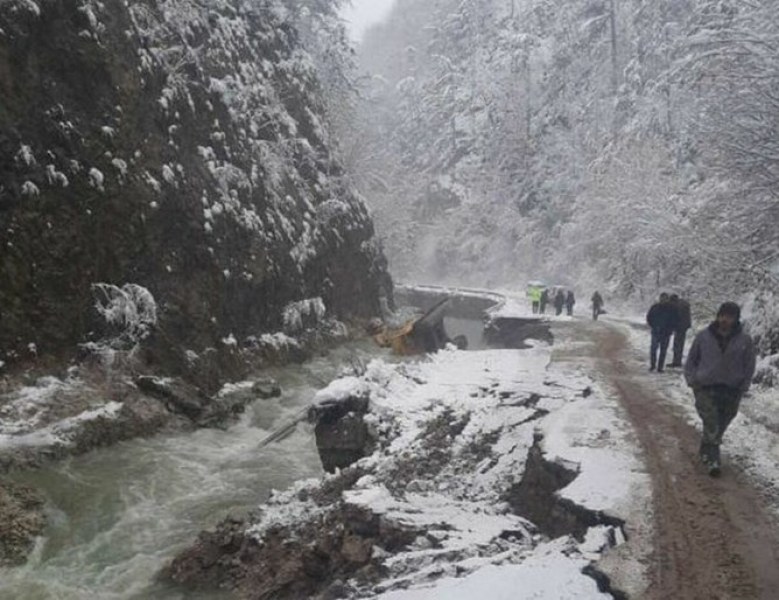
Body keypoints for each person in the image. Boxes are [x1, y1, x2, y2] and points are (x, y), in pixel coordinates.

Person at [684, 302, 756, 476]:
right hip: (705, 386)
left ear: (736, 319)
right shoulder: (703, 336)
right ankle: (713, 460)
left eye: (729, 316)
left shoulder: (745, 340)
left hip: (732, 388)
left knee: (723, 421)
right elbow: (691, 360)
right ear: (717, 316)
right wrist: (692, 380)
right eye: (722, 315)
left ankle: (706, 446)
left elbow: (749, 364)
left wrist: (744, 385)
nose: (725, 319)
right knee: (711, 421)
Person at [646, 293, 678, 372]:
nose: (663, 300)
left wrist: (670, 329)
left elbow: (675, 320)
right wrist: (653, 326)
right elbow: (649, 317)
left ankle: (660, 367)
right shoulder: (655, 307)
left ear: (667, 299)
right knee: (654, 349)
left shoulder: (672, 309)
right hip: (656, 331)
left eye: (665, 299)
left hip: (665, 333)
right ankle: (653, 365)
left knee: (663, 351)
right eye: (662, 298)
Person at [668, 294, 692, 367]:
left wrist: (672, 326)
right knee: (680, 344)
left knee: (677, 344)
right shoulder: (684, 304)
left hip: (679, 327)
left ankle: (676, 362)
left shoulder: (677, 306)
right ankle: (677, 360)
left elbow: (676, 317)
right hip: (685, 326)